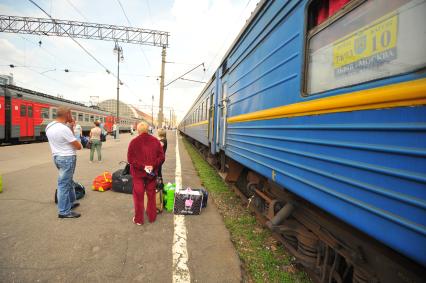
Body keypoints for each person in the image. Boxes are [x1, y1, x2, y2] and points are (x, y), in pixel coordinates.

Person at [46, 107, 82, 219]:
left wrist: (71, 126)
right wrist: (71, 129)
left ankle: (70, 203)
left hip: (57, 157)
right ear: (67, 115)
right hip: (67, 158)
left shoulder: (49, 126)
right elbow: (78, 146)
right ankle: (64, 211)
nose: (72, 117)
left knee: (69, 181)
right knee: (63, 185)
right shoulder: (63, 129)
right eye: (71, 114)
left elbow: (67, 139)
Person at [127, 122, 165, 225]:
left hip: (138, 174)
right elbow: (161, 157)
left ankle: (139, 219)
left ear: (138, 130)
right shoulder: (156, 141)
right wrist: (152, 165)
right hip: (151, 174)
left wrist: (143, 167)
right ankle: (152, 216)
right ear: (148, 129)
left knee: (138, 197)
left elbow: (130, 159)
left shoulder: (133, 142)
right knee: (151, 195)